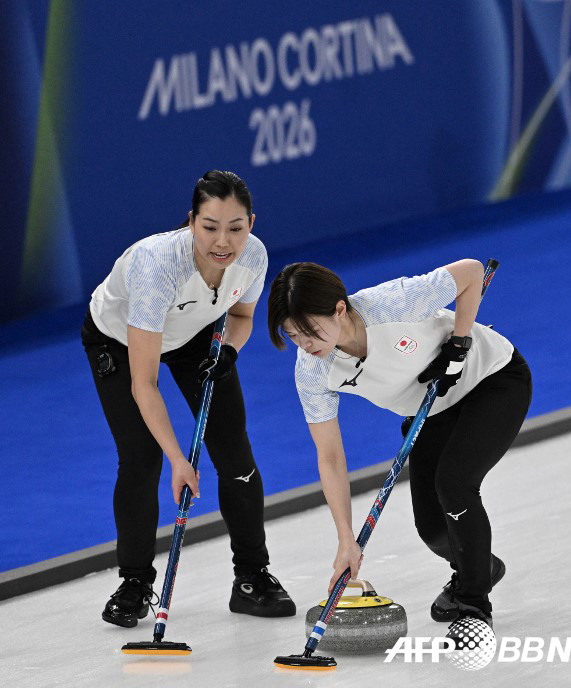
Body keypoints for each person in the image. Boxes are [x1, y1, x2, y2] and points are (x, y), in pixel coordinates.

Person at [266, 259, 531, 629]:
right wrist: (346, 539)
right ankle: (479, 567)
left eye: (309, 331)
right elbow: (329, 456)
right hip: (433, 407)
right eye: (293, 336)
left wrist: (459, 341)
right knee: (433, 529)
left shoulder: (394, 304)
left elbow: (471, 272)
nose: (305, 345)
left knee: (454, 485)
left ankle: (473, 606)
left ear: (339, 309)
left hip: (492, 378)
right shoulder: (313, 369)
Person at [82, 170, 295, 627]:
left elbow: (240, 314)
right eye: (210, 227)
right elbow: (144, 383)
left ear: (251, 223)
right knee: (142, 459)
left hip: (197, 334)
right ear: (191, 222)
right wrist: (179, 458)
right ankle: (135, 583)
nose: (224, 241)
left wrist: (230, 352)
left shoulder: (252, 257)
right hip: (120, 342)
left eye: (236, 228)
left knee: (235, 454)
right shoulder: (158, 267)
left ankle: (252, 577)